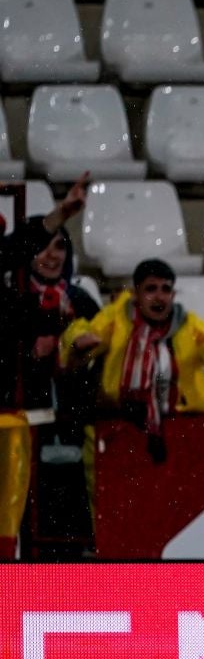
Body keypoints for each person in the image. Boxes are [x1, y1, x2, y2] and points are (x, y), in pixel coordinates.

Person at [61, 258, 204, 462]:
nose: (159, 297)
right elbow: (84, 330)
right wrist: (78, 340)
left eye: (165, 290)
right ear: (136, 294)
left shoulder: (187, 325)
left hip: (179, 426)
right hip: (121, 425)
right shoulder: (116, 320)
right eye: (151, 289)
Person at [0, 177, 97, 557]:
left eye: (60, 248)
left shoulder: (77, 301)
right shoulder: (15, 299)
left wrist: (60, 215)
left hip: (53, 428)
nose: (51, 256)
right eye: (45, 248)